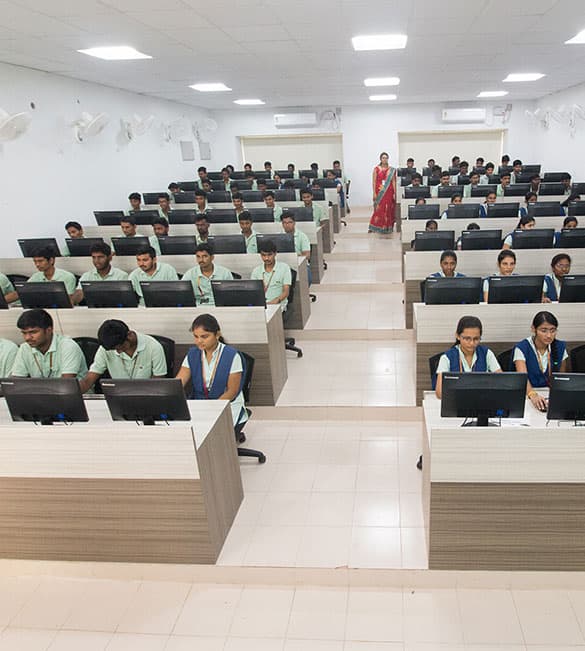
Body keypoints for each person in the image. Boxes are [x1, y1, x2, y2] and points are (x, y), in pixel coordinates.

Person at [176, 313, 248, 428]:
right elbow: (179, 383)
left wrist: (212, 410)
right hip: (200, 404)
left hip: (225, 405)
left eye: (204, 337)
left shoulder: (232, 355)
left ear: (217, 334)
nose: (199, 341)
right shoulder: (192, 354)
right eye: (196, 336)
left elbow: (232, 392)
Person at [79, 319, 167, 393]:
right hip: (119, 396)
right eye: (114, 349)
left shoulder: (154, 347)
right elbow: (88, 380)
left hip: (147, 396)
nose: (118, 352)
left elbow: (158, 382)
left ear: (130, 335)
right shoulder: (106, 349)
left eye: (121, 347)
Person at [434, 315, 501, 397]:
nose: (472, 343)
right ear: (457, 336)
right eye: (467, 339)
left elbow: (502, 382)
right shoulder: (447, 358)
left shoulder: (487, 353)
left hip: (482, 400)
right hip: (456, 401)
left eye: (476, 339)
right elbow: (439, 393)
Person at [513, 311, 568, 411]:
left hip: (551, 396)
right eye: (544, 331)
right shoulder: (522, 348)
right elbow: (523, 379)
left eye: (553, 330)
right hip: (527, 394)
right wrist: (533, 395)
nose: (549, 335)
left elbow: (561, 379)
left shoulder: (560, 347)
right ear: (533, 329)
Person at [12, 309, 87, 380]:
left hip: (72, 390)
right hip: (39, 389)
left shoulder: (67, 346)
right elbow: (16, 381)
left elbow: (66, 384)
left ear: (49, 330)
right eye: (24, 333)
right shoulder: (24, 348)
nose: (27, 338)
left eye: (33, 332)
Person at [251, 239, 292, 311]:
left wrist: (275, 301)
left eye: (269, 255)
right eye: (263, 255)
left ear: (275, 254)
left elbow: (286, 292)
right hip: (261, 306)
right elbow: (253, 293)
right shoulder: (256, 271)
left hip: (277, 305)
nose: (266, 258)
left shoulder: (284, 268)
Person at [368, 152, 397, 234]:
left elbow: (393, 181)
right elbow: (374, 181)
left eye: (386, 158)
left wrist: (395, 193)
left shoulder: (392, 170)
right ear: (380, 159)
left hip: (389, 192)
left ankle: (387, 227)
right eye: (383, 158)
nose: (385, 159)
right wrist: (374, 193)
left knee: (388, 209)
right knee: (379, 209)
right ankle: (375, 226)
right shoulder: (376, 169)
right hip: (379, 192)